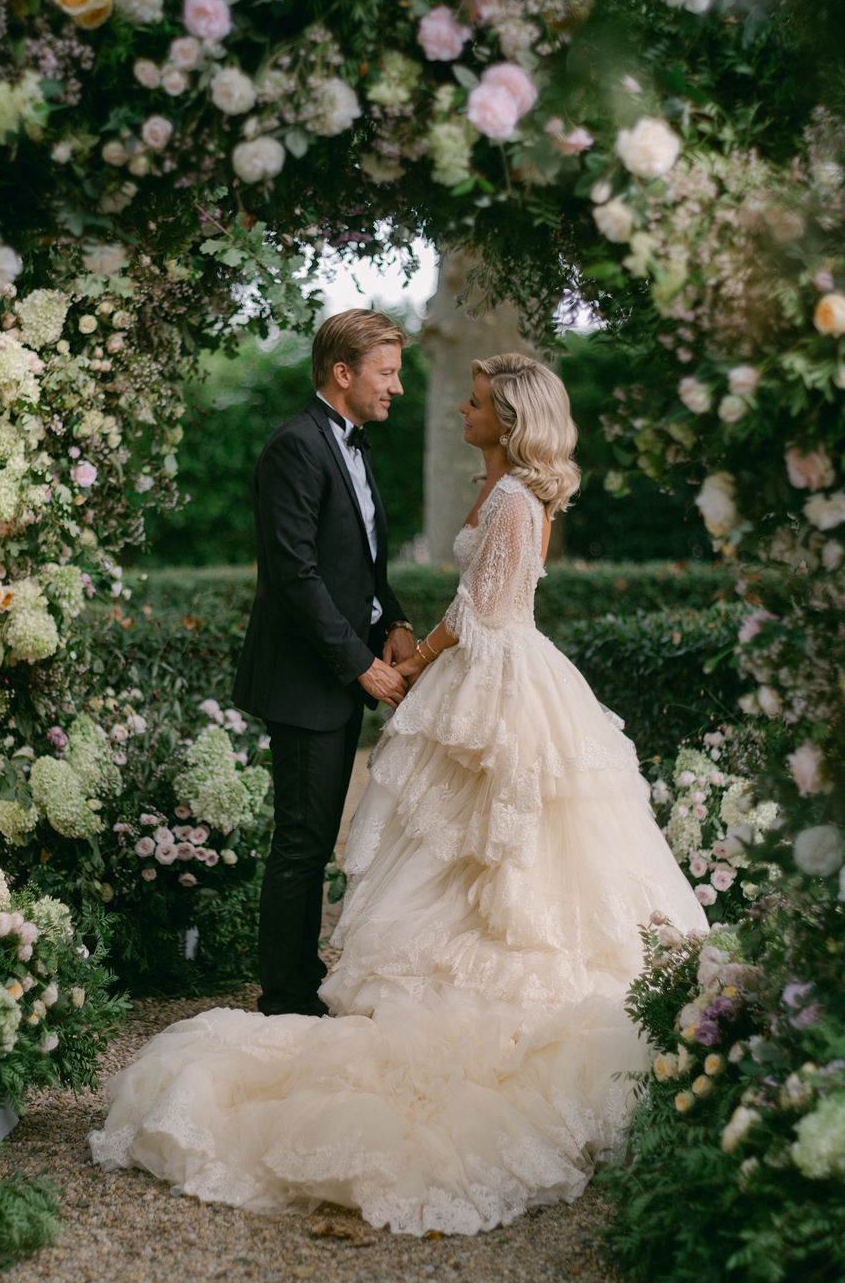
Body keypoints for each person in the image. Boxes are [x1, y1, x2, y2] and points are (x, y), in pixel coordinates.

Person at [90, 352, 708, 1236]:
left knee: (481, 839)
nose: (459, 406)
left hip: (494, 675)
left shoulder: (509, 501)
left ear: (513, 417)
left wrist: (412, 660)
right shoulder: (501, 491)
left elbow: (483, 614)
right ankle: (317, 980)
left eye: (477, 401)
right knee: (456, 842)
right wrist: (403, 642)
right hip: (499, 668)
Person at [231, 309, 416, 1017]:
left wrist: (393, 619)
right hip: (307, 680)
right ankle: (285, 997)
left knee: (313, 836)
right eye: (387, 372)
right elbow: (295, 576)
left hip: (337, 673)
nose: (396, 387)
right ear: (343, 373)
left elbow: (359, 560)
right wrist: (359, 665)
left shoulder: (356, 444)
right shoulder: (295, 447)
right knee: (303, 841)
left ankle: (298, 980)